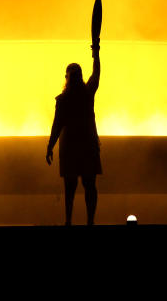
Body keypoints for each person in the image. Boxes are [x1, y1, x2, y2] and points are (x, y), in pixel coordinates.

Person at [46, 43, 102, 225]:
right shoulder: (87, 94)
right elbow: (96, 74)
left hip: (70, 148)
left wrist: (50, 146)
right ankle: (90, 221)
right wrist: (95, 53)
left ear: (67, 78)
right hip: (87, 145)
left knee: (70, 188)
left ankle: (68, 222)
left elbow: (57, 125)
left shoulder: (63, 100)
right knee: (89, 186)